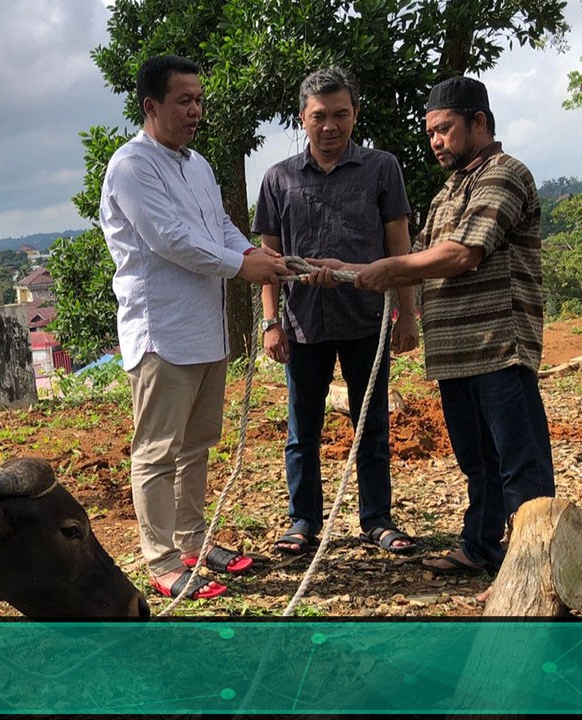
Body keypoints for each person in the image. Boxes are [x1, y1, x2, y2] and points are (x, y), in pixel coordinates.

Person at [311, 76, 555, 575]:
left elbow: (462, 254)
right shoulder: (449, 190)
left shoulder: (504, 175)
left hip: (498, 347)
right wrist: (349, 270)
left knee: (519, 466)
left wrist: (388, 269)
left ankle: (536, 571)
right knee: (478, 462)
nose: (436, 142)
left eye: (444, 129)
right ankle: (481, 548)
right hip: (455, 355)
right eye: (430, 133)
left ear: (479, 122)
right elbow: (417, 260)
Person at [100, 54, 291, 600]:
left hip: (207, 329)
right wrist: (241, 266)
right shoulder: (131, 166)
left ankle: (192, 542)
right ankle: (162, 562)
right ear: (151, 105)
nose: (195, 111)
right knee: (158, 450)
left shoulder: (198, 165)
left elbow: (219, 226)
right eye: (184, 100)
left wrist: (251, 253)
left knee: (197, 445)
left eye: (199, 100)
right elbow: (171, 240)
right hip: (161, 332)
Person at [253, 67, 419, 558]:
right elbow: (268, 258)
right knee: (302, 430)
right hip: (303, 324)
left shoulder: (382, 169)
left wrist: (408, 314)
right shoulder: (278, 178)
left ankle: (377, 520)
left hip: (367, 319)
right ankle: (303, 522)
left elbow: (399, 246)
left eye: (340, 114)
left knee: (371, 425)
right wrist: (271, 322)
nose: (330, 126)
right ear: (302, 118)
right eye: (319, 116)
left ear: (355, 114)